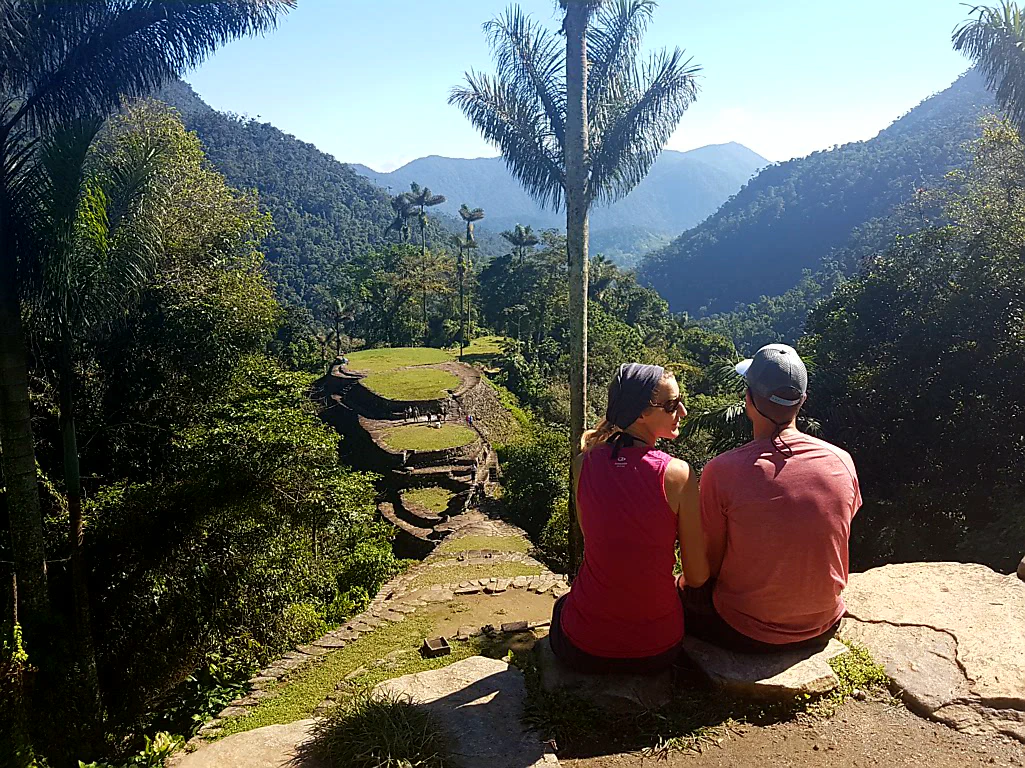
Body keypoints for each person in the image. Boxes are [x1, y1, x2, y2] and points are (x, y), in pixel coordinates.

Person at [684, 344, 862, 654]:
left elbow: (709, 566)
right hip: (823, 622)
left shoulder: (722, 471)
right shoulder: (842, 461)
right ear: (802, 401)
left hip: (744, 628)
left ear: (749, 401)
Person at [549, 363, 709, 673]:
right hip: (658, 647)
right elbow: (698, 576)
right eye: (672, 404)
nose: (683, 411)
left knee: (561, 606)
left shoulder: (584, 464)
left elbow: (593, 540)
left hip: (584, 645)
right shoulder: (678, 474)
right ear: (641, 414)